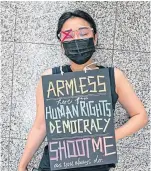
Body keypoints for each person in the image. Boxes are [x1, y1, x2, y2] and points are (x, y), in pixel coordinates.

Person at [18, 10, 148, 171]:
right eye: (68, 35)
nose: (76, 39)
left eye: (83, 33)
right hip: (54, 164)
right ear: (61, 43)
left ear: (95, 37)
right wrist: (22, 165)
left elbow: (140, 116)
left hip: (96, 164)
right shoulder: (51, 77)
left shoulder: (113, 76)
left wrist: (109, 137)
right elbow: (40, 125)